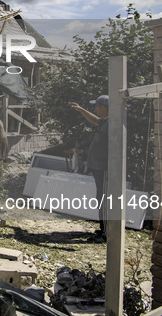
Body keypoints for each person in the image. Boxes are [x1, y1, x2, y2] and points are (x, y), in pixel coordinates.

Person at [68, 95, 109, 240]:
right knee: (101, 197)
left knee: (104, 198)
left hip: (104, 169)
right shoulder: (104, 121)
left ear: (103, 108)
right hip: (99, 168)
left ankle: (106, 233)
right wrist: (81, 110)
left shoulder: (111, 123)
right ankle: (103, 228)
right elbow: (93, 119)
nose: (95, 109)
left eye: (97, 106)